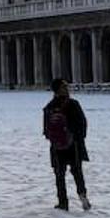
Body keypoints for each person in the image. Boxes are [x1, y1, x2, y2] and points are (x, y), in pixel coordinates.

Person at [42, 79, 90, 211]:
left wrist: (56, 139)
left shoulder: (49, 107)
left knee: (59, 175)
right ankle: (82, 195)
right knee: (77, 172)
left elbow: (46, 130)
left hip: (57, 146)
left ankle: (63, 202)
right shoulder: (73, 104)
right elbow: (82, 124)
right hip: (73, 144)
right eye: (65, 87)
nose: (68, 89)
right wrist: (77, 138)